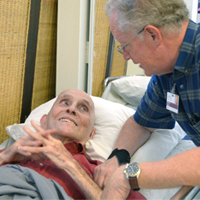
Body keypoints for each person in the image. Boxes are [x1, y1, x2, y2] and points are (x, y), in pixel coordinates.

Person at [93, 0, 200, 199]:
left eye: (125, 46)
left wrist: (130, 176)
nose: (125, 56)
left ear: (152, 35)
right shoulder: (166, 76)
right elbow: (141, 122)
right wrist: (119, 155)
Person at [0, 89, 145, 199]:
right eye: (64, 102)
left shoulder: (100, 173)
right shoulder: (13, 152)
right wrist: (5, 155)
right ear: (43, 121)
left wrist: (71, 165)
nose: (71, 109)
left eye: (83, 108)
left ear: (91, 134)